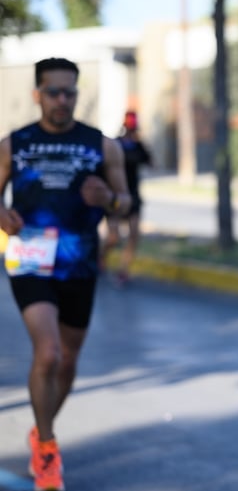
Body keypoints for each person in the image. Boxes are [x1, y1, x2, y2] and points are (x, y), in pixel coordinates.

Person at [0, 57, 131, 491]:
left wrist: (109, 198)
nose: (62, 100)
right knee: (49, 353)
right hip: (31, 258)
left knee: (69, 360)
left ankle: (40, 434)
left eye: (69, 92)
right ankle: (49, 450)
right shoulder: (14, 144)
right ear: (37, 94)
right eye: (53, 92)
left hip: (79, 260)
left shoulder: (102, 145)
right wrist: (2, 214)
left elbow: (125, 203)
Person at [100, 110, 152, 285]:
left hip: (133, 196)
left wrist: (142, 144)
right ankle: (101, 258)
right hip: (115, 195)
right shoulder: (114, 144)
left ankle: (123, 270)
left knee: (134, 234)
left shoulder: (138, 146)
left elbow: (151, 162)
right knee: (113, 237)